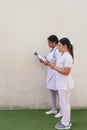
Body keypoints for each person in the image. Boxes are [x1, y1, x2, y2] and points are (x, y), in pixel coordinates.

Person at [48, 38, 75, 129]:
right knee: (64, 103)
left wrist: (54, 67)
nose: (58, 48)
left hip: (65, 84)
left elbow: (66, 72)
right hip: (61, 84)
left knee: (65, 103)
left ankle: (66, 123)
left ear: (65, 46)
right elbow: (59, 68)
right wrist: (52, 66)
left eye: (59, 46)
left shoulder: (67, 57)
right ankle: (66, 120)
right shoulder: (62, 55)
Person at [40, 35, 61, 115]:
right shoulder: (52, 50)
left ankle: (62, 111)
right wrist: (45, 62)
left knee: (58, 92)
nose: (48, 44)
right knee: (52, 90)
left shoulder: (58, 50)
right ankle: (54, 109)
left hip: (56, 73)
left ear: (54, 42)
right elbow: (51, 61)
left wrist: (48, 63)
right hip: (51, 73)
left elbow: (59, 62)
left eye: (49, 42)